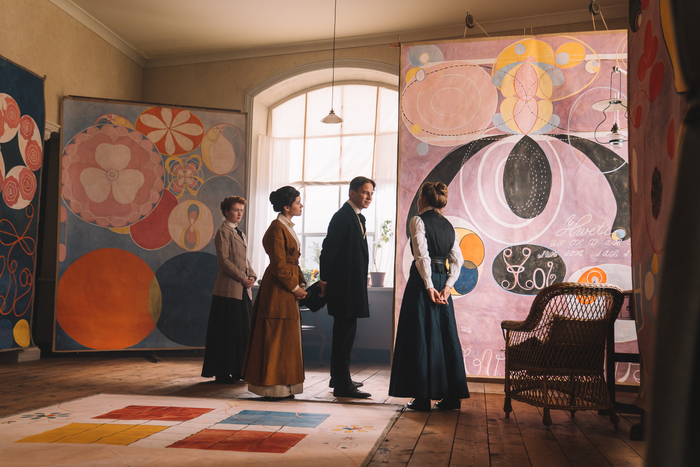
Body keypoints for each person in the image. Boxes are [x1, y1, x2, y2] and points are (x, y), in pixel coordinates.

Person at [388, 182, 470, 410]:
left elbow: (421, 256)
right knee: (445, 335)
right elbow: (458, 260)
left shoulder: (418, 220)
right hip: (442, 283)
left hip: (423, 283)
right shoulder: (449, 226)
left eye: (418, 197)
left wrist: (428, 285)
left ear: (423, 199)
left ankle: (422, 398)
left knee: (420, 335)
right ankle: (451, 397)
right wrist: (448, 286)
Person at [242, 186, 307, 398]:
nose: (301, 205)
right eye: (298, 202)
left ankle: (286, 386)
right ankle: (273, 388)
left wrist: (301, 282)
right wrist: (295, 287)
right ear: (287, 207)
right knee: (276, 335)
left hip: (286, 287)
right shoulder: (276, 228)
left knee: (287, 337)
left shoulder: (286, 227)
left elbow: (293, 262)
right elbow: (279, 264)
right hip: (278, 289)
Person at [318, 176, 375, 399]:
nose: (369, 197)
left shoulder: (357, 217)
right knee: (344, 335)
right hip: (343, 287)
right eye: (365, 192)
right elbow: (328, 250)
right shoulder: (342, 216)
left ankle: (339, 378)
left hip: (352, 285)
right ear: (352, 193)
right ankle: (342, 385)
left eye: (371, 193)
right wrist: (324, 281)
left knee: (346, 334)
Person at [201, 196, 257, 383]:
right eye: (235, 210)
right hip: (227, 291)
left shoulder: (240, 233)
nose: (239, 214)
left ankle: (239, 370)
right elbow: (223, 261)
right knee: (227, 332)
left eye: (241, 210)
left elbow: (245, 260)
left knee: (242, 331)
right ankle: (223, 371)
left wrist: (252, 276)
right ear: (226, 212)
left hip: (243, 290)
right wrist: (242, 277)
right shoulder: (223, 232)